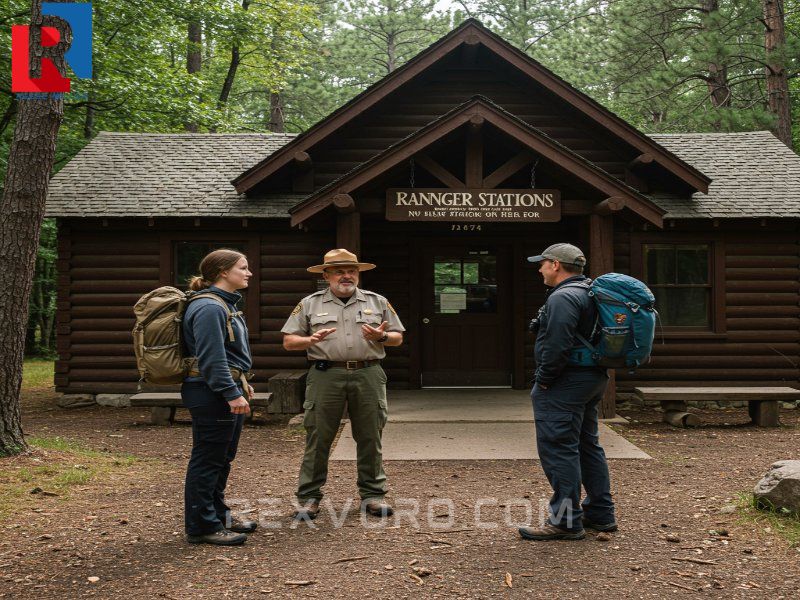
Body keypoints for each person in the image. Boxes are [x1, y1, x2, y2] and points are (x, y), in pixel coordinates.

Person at [282, 248, 405, 520]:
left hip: (368, 373)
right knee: (319, 436)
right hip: (326, 375)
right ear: (326, 275)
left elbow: (398, 337)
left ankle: (373, 495)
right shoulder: (310, 303)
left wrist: (382, 336)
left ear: (358, 274)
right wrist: (310, 340)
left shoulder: (378, 301)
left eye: (351, 271)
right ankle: (308, 498)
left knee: (370, 435)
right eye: (339, 271)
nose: (346, 276)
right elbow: (289, 341)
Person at [519, 243, 617, 541]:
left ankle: (565, 521)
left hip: (565, 382)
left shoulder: (563, 297)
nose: (539, 269)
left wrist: (544, 379)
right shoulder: (589, 292)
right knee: (588, 445)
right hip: (591, 378)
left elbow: (557, 344)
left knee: (559, 448)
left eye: (543, 263)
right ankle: (600, 513)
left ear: (556, 265)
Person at [182, 248, 258, 546]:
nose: (248, 272)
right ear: (224, 272)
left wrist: (241, 384)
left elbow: (228, 355)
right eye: (243, 267)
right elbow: (211, 358)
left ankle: (218, 515)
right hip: (210, 392)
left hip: (221, 388)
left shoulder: (223, 304)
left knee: (222, 457)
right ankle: (201, 526)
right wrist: (230, 392)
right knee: (208, 458)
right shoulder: (209, 307)